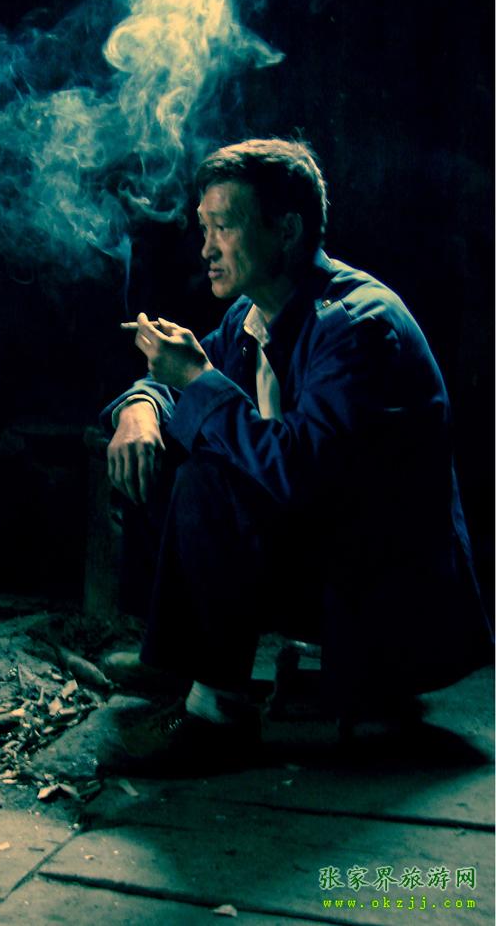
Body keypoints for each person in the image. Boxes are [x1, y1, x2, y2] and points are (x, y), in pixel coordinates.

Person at [99, 138, 490, 773]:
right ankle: (180, 662)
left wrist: (194, 381)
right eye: (204, 228)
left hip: (386, 600)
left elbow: (298, 472)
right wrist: (141, 406)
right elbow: (188, 384)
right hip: (326, 557)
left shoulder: (356, 327)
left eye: (224, 227)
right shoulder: (253, 315)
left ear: (286, 230)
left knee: (208, 477)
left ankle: (217, 717)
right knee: (156, 449)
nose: (206, 248)